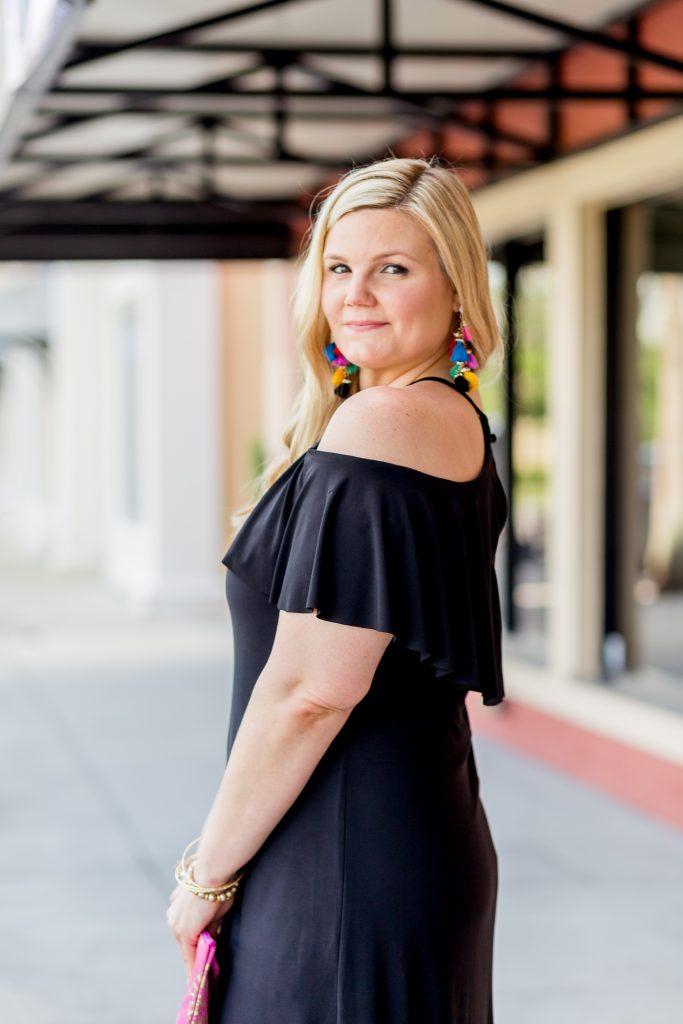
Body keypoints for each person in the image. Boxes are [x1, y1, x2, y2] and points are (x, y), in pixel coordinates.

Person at [166, 156, 508, 1024]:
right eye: (338, 267)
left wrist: (205, 872)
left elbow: (312, 693)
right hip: (384, 842)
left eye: (393, 268)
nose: (356, 295)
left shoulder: (385, 423)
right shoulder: (443, 417)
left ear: (457, 289)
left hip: (344, 864)